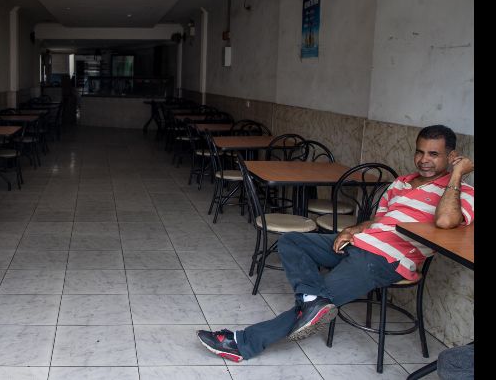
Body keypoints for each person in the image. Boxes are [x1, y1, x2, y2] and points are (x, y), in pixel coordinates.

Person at [197, 124, 474, 362]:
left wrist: (457, 175)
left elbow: (446, 222)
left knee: (318, 301)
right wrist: (353, 229)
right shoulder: (402, 182)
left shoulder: (462, 191)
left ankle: (243, 343)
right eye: (420, 151)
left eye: (434, 154)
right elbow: (379, 219)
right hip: (359, 244)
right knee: (292, 242)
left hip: (384, 260)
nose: (423, 160)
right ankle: (311, 298)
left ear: (451, 156)